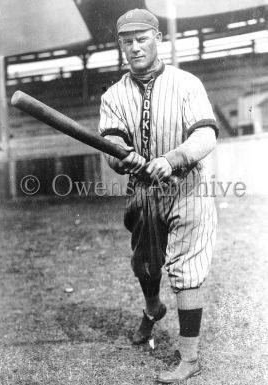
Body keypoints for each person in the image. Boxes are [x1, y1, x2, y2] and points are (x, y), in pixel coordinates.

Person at [98, 8, 218, 383]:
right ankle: (153, 308)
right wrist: (121, 155)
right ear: (120, 46)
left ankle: (190, 358)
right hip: (144, 192)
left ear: (158, 39)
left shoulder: (186, 84)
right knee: (146, 265)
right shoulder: (113, 95)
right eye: (126, 42)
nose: (134, 48)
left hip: (187, 186)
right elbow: (110, 141)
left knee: (187, 269)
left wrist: (172, 158)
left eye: (141, 39)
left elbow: (206, 135)